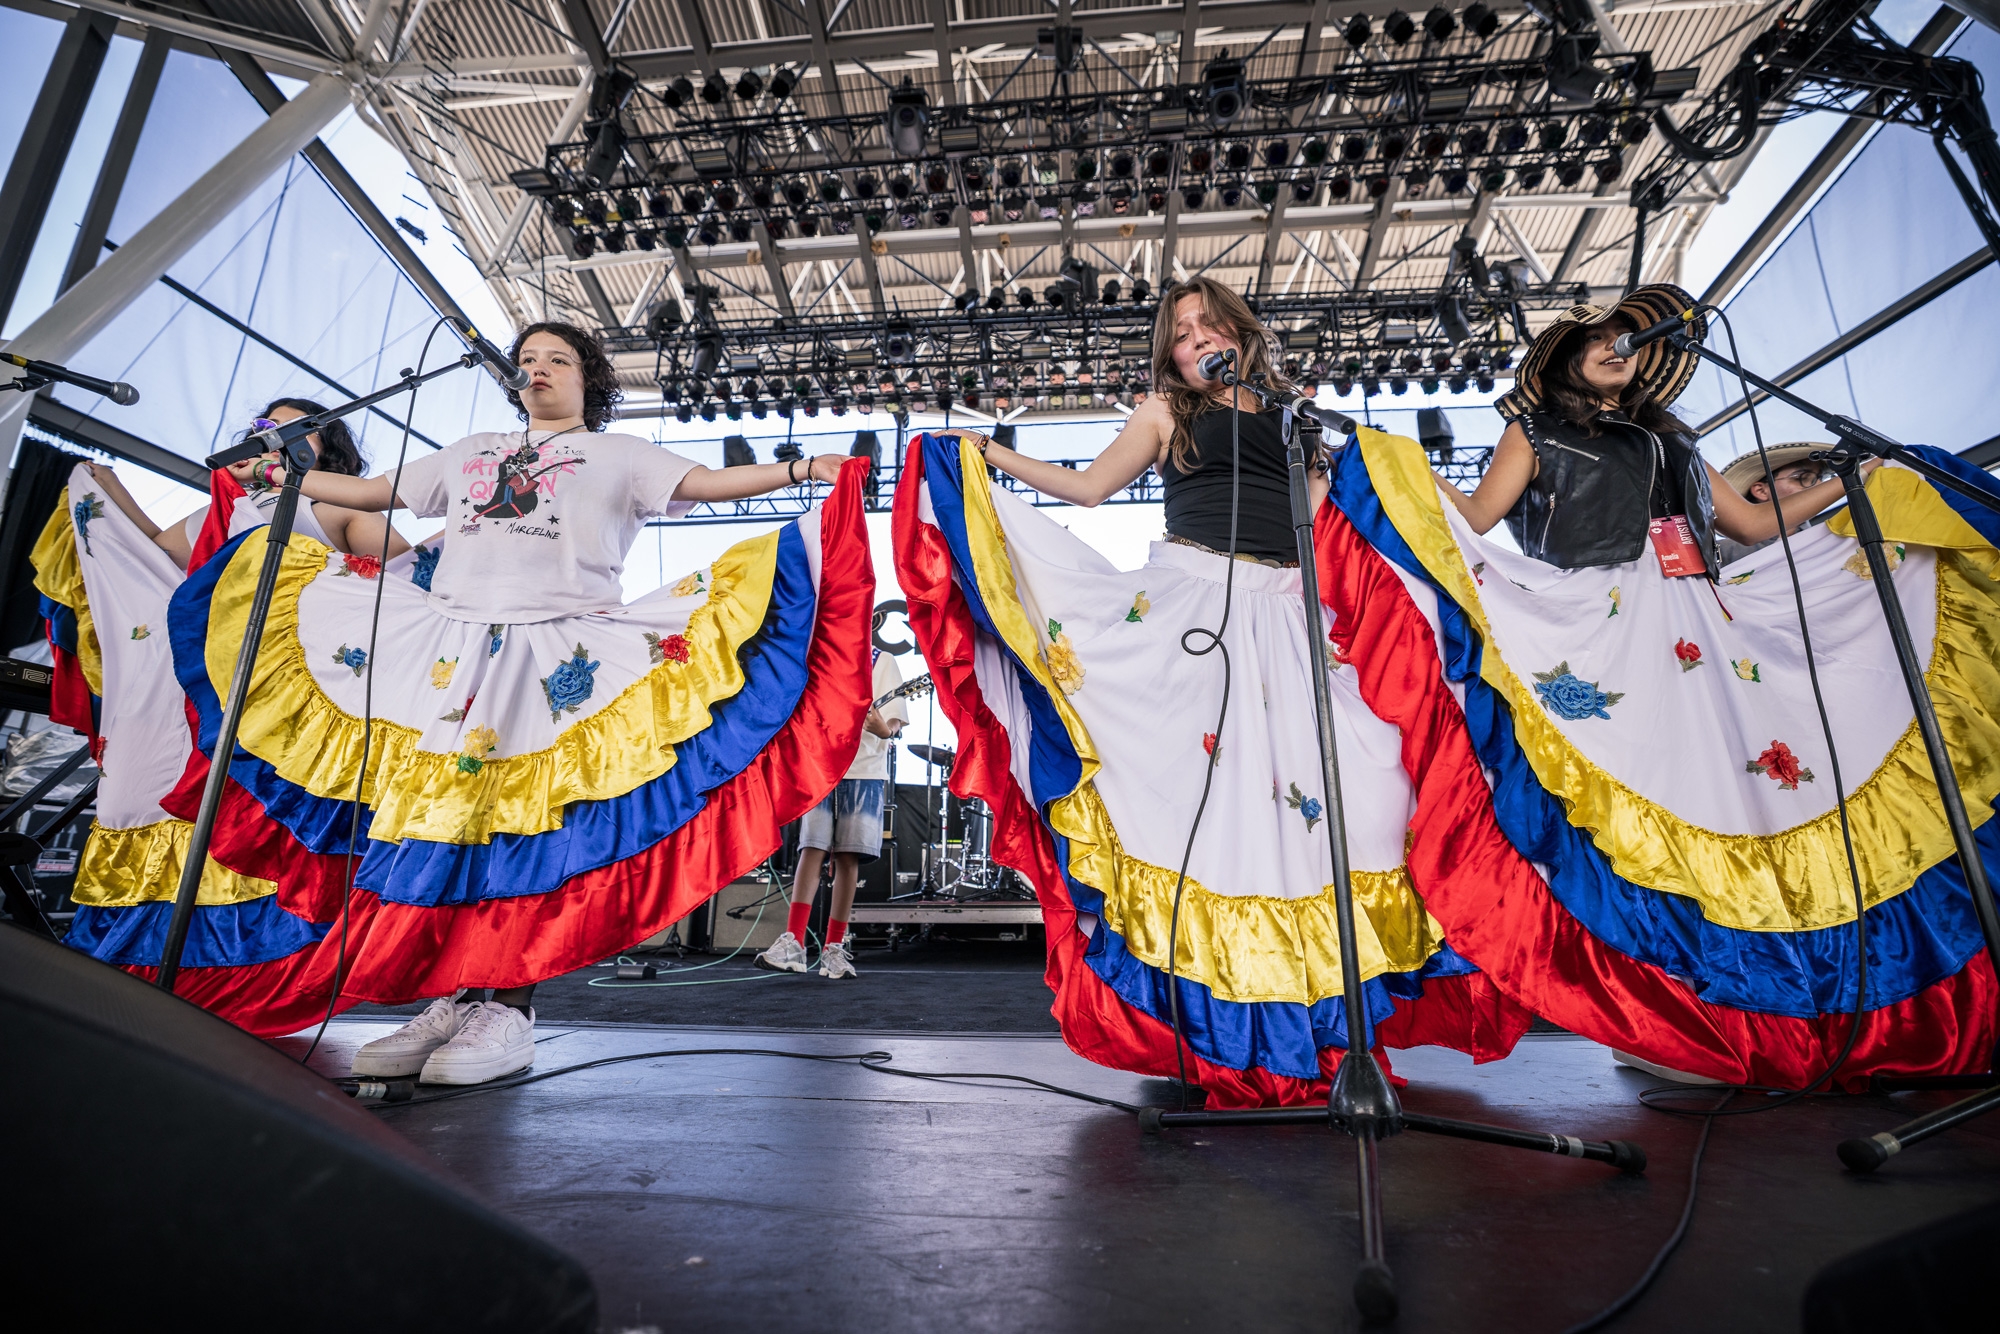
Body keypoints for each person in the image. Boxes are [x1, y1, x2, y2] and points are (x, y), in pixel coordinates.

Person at [1319, 284, 2000, 1089]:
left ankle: (1758, 1009)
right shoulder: (1530, 430)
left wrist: (1857, 481)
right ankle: (1667, 1014)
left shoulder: (1670, 435)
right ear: (1567, 353)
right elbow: (1470, 520)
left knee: (1732, 792)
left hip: (1704, 618)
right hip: (1602, 622)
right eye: (1600, 336)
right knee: (1653, 803)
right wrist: (1391, 478)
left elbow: (1748, 525)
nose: (1617, 348)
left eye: (1633, 340)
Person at [170, 321, 874, 1080]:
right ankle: (455, 994)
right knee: (449, 824)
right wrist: (288, 480)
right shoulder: (472, 450)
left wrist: (804, 467)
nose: (538, 369)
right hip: (454, 657)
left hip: (557, 654)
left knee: (523, 827)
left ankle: (511, 1006)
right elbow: (376, 493)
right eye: (527, 360)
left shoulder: (621, 455)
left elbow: (705, 484)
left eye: (558, 359)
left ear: (589, 381)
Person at [889, 276, 1528, 1108]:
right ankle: (1212, 1025)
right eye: (1180, 333)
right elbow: (1087, 489)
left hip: (1291, 615)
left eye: (1207, 324)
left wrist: (1420, 491)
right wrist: (981, 456)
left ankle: (1321, 1030)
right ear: (1171, 356)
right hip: (1198, 608)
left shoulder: (1295, 418)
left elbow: (1335, 511)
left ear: (1241, 332)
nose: (1194, 339)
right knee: (1213, 816)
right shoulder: (1165, 414)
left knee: (1344, 806)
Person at [84, 398, 408, 568]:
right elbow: (157, 553)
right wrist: (108, 485)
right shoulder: (230, 507)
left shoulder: (343, 506)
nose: (274, 434)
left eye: (296, 427)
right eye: (267, 425)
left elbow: (403, 573)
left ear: (328, 445)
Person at [756, 647, 907, 979]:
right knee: (811, 847)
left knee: (847, 858)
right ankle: (794, 940)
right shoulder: (822, 655)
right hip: (821, 767)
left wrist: (884, 729)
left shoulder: (881, 661)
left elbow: (893, 722)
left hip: (864, 769)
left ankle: (833, 948)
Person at [1714, 444, 1832, 564]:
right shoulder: (1723, 553)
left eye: (1821, 478)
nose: (1819, 485)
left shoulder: (1831, 540)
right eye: (1803, 477)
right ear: (1761, 491)